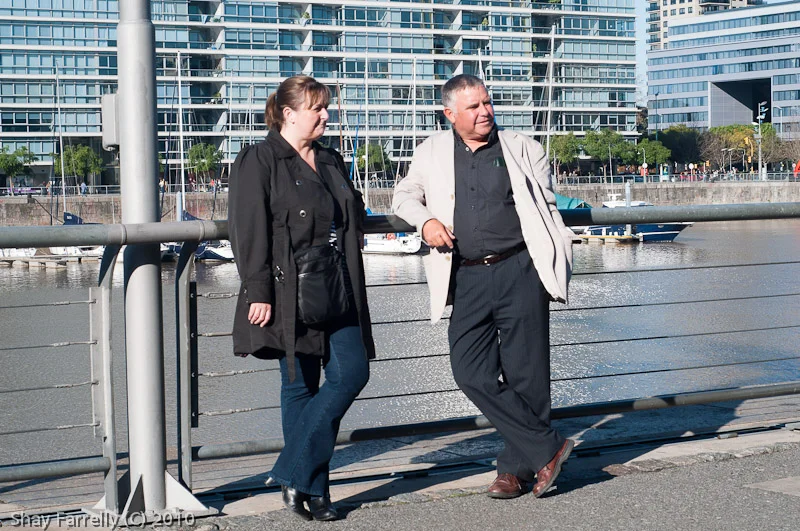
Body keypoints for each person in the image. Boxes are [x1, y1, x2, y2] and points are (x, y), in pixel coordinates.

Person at [392, 74, 575, 500]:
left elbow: (547, 207)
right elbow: (402, 196)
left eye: (487, 103)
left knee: (528, 374)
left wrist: (558, 254)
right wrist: (426, 221)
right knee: (470, 371)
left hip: (520, 269)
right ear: (449, 113)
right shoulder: (431, 151)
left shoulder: (523, 147)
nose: (485, 112)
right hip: (466, 276)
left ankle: (514, 471)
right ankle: (548, 448)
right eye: (473, 107)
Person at [228, 75, 374, 522]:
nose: (326, 115)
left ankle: (293, 473)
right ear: (289, 114)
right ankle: (316, 491)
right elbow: (247, 229)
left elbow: (352, 209)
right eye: (317, 109)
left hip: (338, 283)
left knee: (352, 373)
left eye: (326, 107)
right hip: (287, 287)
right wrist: (258, 290)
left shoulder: (330, 159)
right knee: (299, 386)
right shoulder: (260, 159)